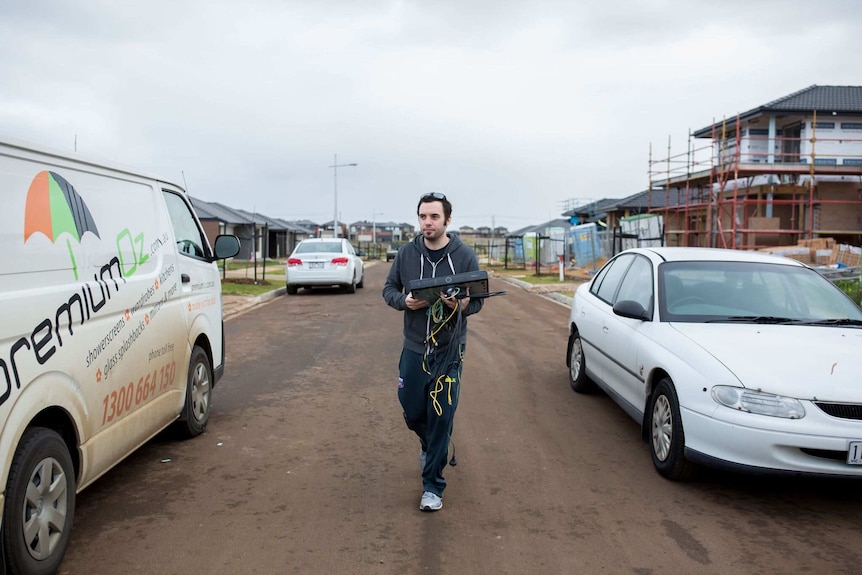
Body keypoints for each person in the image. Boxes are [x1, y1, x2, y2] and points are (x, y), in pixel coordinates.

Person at [382, 192, 484, 512]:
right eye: (423, 217)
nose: (428, 223)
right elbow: (389, 290)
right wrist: (405, 302)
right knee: (412, 410)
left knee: (442, 415)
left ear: (447, 220)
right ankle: (430, 446)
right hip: (414, 348)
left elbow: (478, 299)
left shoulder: (464, 255)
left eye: (434, 217)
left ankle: (433, 485)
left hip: (450, 350)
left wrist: (463, 305)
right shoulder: (406, 254)